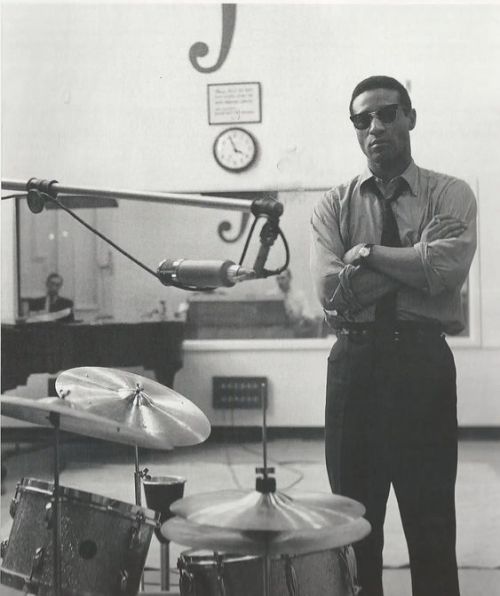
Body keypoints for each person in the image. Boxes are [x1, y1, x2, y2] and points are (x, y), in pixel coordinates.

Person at [310, 76, 476, 596]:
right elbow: (330, 289)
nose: (375, 127)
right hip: (354, 367)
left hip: (421, 365)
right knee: (354, 527)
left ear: (410, 116)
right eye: (363, 120)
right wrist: (414, 262)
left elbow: (446, 270)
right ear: (356, 130)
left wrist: (369, 256)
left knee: (430, 526)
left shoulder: (450, 193)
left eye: (386, 114)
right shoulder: (333, 204)